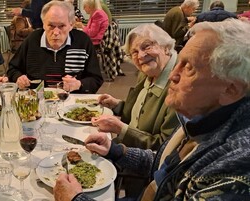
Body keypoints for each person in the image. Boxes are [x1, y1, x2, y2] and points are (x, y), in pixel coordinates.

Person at [54, 19, 250, 201]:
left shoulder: (234, 169)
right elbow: (165, 163)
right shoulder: (200, 119)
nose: (172, 74)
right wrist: (116, 151)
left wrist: (75, 199)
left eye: (188, 67)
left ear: (231, 89)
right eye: (178, 62)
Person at [92, 24, 179, 150]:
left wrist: (120, 128)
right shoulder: (147, 72)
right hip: (127, 146)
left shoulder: (180, 87)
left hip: (142, 159)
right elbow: (143, 110)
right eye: (134, 52)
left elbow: (165, 147)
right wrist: (118, 105)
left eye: (147, 46)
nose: (140, 56)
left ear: (166, 47)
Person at [7, 1, 103, 93]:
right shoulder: (32, 40)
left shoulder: (83, 41)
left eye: (61, 26)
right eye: (51, 26)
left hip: (72, 101)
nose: (56, 32)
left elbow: (96, 78)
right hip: (37, 101)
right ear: (43, 24)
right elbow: (12, 69)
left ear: (71, 25)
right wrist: (18, 78)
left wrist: (79, 84)